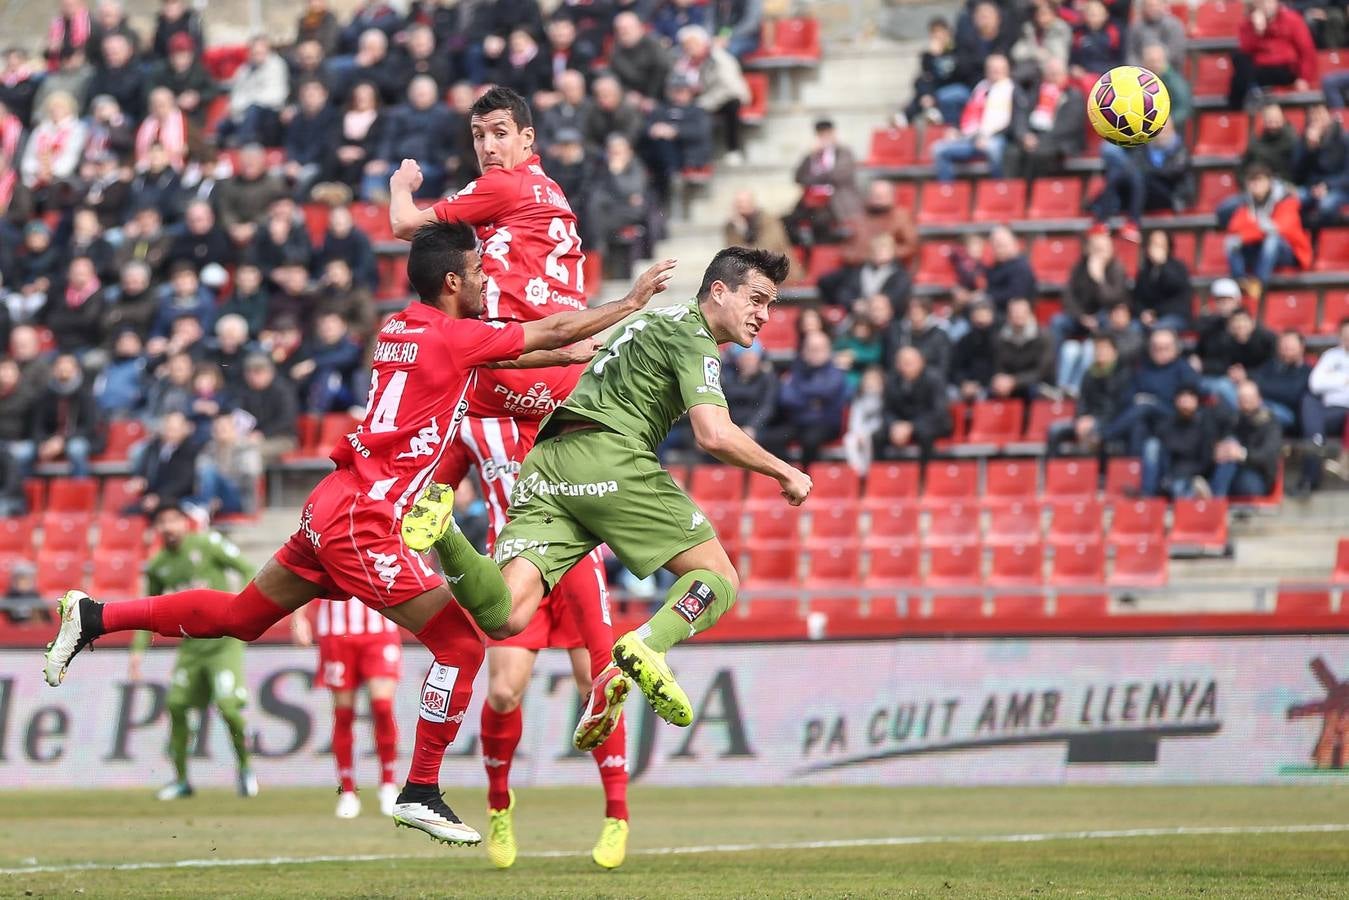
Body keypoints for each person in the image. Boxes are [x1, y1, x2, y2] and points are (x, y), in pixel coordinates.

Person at [45, 219, 674, 849]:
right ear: (453, 282)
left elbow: (514, 349)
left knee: (241, 616)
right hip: (368, 521)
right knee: (462, 644)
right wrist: (628, 303)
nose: (488, 281)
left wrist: (558, 356)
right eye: (480, 273)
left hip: (334, 503)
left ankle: (96, 614)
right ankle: (421, 789)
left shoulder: (401, 327)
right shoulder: (455, 338)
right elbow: (544, 329)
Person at [398, 247, 809, 784]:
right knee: (721, 578)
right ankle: (644, 646)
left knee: (506, 614)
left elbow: (569, 355)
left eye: (771, 304)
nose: (764, 314)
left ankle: (446, 536)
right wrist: (785, 472)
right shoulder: (693, 334)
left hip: (547, 463)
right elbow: (713, 433)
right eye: (756, 299)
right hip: (611, 456)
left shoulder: (648, 322)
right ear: (718, 292)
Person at [387, 87, 639, 870]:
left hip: (574, 544)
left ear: (526, 138)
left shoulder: (510, 193)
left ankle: (617, 815)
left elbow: (407, 226)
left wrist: (400, 180)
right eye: (479, 136)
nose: (489, 146)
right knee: (503, 692)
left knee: (600, 678)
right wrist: (423, 502)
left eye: (501, 133)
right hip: (513, 553)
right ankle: (498, 808)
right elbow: (448, 471)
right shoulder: (484, 400)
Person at [128, 504, 257, 800]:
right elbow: (147, 610)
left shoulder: (208, 544)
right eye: (162, 521)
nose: (168, 526)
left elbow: (248, 568)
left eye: (173, 519)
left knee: (228, 708)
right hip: (191, 647)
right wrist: (137, 653)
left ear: (185, 523)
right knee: (175, 705)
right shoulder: (159, 564)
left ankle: (246, 769)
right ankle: (182, 780)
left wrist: (245, 607)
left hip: (224, 643)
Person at [292, 597, 403, 819]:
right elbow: (306, 574)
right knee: (343, 713)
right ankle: (348, 791)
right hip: (337, 634)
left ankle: (388, 785)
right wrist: (298, 618)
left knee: (382, 707)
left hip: (379, 630)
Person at [760, 330, 850, 469]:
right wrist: (811, 401)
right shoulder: (797, 370)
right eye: (811, 349)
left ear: (828, 350)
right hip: (798, 423)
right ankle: (784, 472)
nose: (815, 353)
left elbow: (825, 392)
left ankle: (805, 478)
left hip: (824, 423)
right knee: (767, 438)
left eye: (819, 349)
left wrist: (800, 393)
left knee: (809, 440)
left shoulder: (835, 373)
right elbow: (785, 397)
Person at [1225, 162, 1311, 295]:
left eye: (1259, 180)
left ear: (1269, 181)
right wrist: (1255, 232)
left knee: (1273, 239)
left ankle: (1259, 282)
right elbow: (1236, 228)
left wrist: (1250, 232)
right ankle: (1240, 282)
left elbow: (1280, 228)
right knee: (1232, 241)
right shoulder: (1245, 203)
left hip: (1289, 252)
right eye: (1252, 181)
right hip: (1259, 249)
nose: (1255, 185)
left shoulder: (1286, 200)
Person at [931, 53, 1014, 182]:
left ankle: (999, 190)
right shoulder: (981, 87)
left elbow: (1013, 121)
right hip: (972, 138)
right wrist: (957, 130)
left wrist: (987, 136)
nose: (995, 71)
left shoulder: (1011, 89)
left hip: (998, 138)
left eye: (999, 68)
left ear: (1006, 70)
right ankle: (948, 194)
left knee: (994, 150)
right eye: (992, 68)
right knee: (939, 149)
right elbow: (970, 114)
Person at [1002, 58, 1085, 181]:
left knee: (1039, 154)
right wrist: (1024, 135)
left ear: (1064, 75)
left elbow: (1068, 126)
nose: (1052, 77)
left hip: (1058, 142)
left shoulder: (1073, 95)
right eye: (1049, 74)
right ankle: (1010, 195)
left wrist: (1040, 141)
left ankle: (1035, 195)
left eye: (1055, 74)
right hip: (1033, 138)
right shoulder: (1035, 92)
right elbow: (1022, 114)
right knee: (1011, 153)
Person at [1140, 385, 1226, 498]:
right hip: (1168, 474)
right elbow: (1162, 457)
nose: (1185, 402)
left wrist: (1188, 473)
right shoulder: (1166, 424)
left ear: (1197, 401)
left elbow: (1206, 460)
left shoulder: (1205, 425)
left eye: (1190, 398)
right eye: (1182, 398)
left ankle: (1198, 495)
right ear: (1176, 401)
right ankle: (1147, 496)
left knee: (1181, 489)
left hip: (1192, 475)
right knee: (1152, 445)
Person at [1048, 333, 1129, 454]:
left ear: (1115, 352)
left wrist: (1094, 421)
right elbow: (1082, 401)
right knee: (1055, 430)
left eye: (1105, 348)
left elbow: (1119, 406)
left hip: (1111, 421)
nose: (1100, 352)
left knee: (1093, 432)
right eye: (1098, 349)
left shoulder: (1123, 374)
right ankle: (1055, 469)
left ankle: (1089, 470)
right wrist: (1081, 418)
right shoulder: (1089, 373)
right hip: (1087, 419)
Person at [1230, 0, 1317, 111]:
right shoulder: (1248, 24)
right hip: (1260, 68)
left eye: (1269, 2)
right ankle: (1237, 111)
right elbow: (1246, 49)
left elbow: (1307, 50)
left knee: (1240, 80)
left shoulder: (1292, 20)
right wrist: (1258, 30)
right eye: (1263, 3)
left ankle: (1250, 94)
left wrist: (1304, 78)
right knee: (1238, 58)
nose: (1266, 6)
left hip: (1285, 69)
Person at [787, 119, 862, 246]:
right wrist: (809, 155)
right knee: (788, 222)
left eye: (827, 134)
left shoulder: (844, 152)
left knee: (820, 221)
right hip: (812, 200)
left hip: (836, 200)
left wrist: (811, 178)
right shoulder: (813, 155)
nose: (824, 138)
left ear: (833, 133)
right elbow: (798, 177)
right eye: (821, 135)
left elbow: (836, 176)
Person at [875, 346, 952, 458]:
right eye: (902, 363)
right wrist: (894, 425)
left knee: (925, 434)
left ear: (921, 362)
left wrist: (911, 426)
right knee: (877, 436)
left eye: (909, 363)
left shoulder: (935, 379)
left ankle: (924, 473)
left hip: (928, 423)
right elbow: (886, 410)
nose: (905, 367)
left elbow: (938, 411)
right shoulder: (892, 381)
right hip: (899, 425)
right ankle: (882, 474)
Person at [1300, 318, 1349, 492]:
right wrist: (1344, 380)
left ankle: (1314, 474)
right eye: (1345, 336)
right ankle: (1316, 441)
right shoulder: (1331, 355)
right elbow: (1315, 383)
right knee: (1309, 400)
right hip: (1329, 410)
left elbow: (1324, 382)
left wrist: (1332, 379)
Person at [1211, 381, 1281, 497]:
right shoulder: (1234, 419)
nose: (1246, 401)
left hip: (1258, 475)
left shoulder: (1271, 423)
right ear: (1237, 401)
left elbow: (1268, 455)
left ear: (1259, 399)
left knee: (1232, 459)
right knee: (1229, 448)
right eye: (1243, 398)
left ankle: (1215, 500)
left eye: (1250, 397)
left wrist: (1242, 454)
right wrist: (1219, 450)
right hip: (1232, 471)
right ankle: (1216, 499)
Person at [1199, 308, 1276, 410]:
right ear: (1229, 327)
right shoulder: (1224, 341)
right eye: (1235, 322)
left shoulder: (1266, 340)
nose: (1240, 325)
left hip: (1263, 384)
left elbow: (1272, 368)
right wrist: (1230, 371)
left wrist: (1247, 375)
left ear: (1252, 323)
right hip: (1234, 383)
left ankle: (1256, 411)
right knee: (1221, 386)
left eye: (1243, 321)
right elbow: (1218, 363)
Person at [991, 297, 1054, 399]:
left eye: (1022, 312)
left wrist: (1015, 381)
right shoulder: (1001, 337)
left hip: (1037, 384)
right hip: (1009, 385)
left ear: (1030, 313)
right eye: (1014, 312)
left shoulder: (1044, 336)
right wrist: (1001, 380)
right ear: (1008, 315)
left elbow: (1042, 371)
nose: (1018, 315)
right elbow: (999, 366)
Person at [1133, 230, 1192, 333]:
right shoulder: (1144, 270)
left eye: (1160, 245)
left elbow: (1177, 292)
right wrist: (1143, 313)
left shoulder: (1178, 267)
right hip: (1149, 317)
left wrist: (1163, 266)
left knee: (1159, 330)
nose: (1156, 248)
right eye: (1153, 244)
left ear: (1168, 247)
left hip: (1174, 316)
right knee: (1132, 328)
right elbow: (1137, 298)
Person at [1253, 330, 1311, 432]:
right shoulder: (1271, 365)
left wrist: (1265, 389)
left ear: (1301, 347)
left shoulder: (1307, 371)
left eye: (1290, 345)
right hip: (1261, 404)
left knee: (1261, 412)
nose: (1286, 348)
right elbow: (1255, 382)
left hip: (1288, 414)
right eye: (1283, 345)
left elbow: (1292, 395)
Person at [1125, 0, 1186, 70]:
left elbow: (1177, 52)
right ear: (1143, 7)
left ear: (1163, 6)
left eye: (1156, 5)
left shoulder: (1174, 25)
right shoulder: (1136, 26)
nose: (1153, 9)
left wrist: (1157, 60)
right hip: (1142, 71)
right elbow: (1131, 53)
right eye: (1149, 6)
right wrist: (1140, 68)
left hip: (1168, 69)